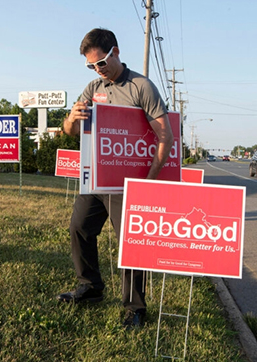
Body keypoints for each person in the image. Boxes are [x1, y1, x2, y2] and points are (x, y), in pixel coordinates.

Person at [56, 28, 174, 329]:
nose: (98, 69)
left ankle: (135, 308)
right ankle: (91, 287)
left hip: (128, 182)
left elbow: (165, 137)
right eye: (91, 66)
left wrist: (148, 181)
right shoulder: (92, 87)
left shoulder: (141, 87)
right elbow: (69, 133)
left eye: (101, 63)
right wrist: (72, 118)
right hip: (95, 178)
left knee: (130, 244)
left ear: (116, 52)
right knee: (79, 228)